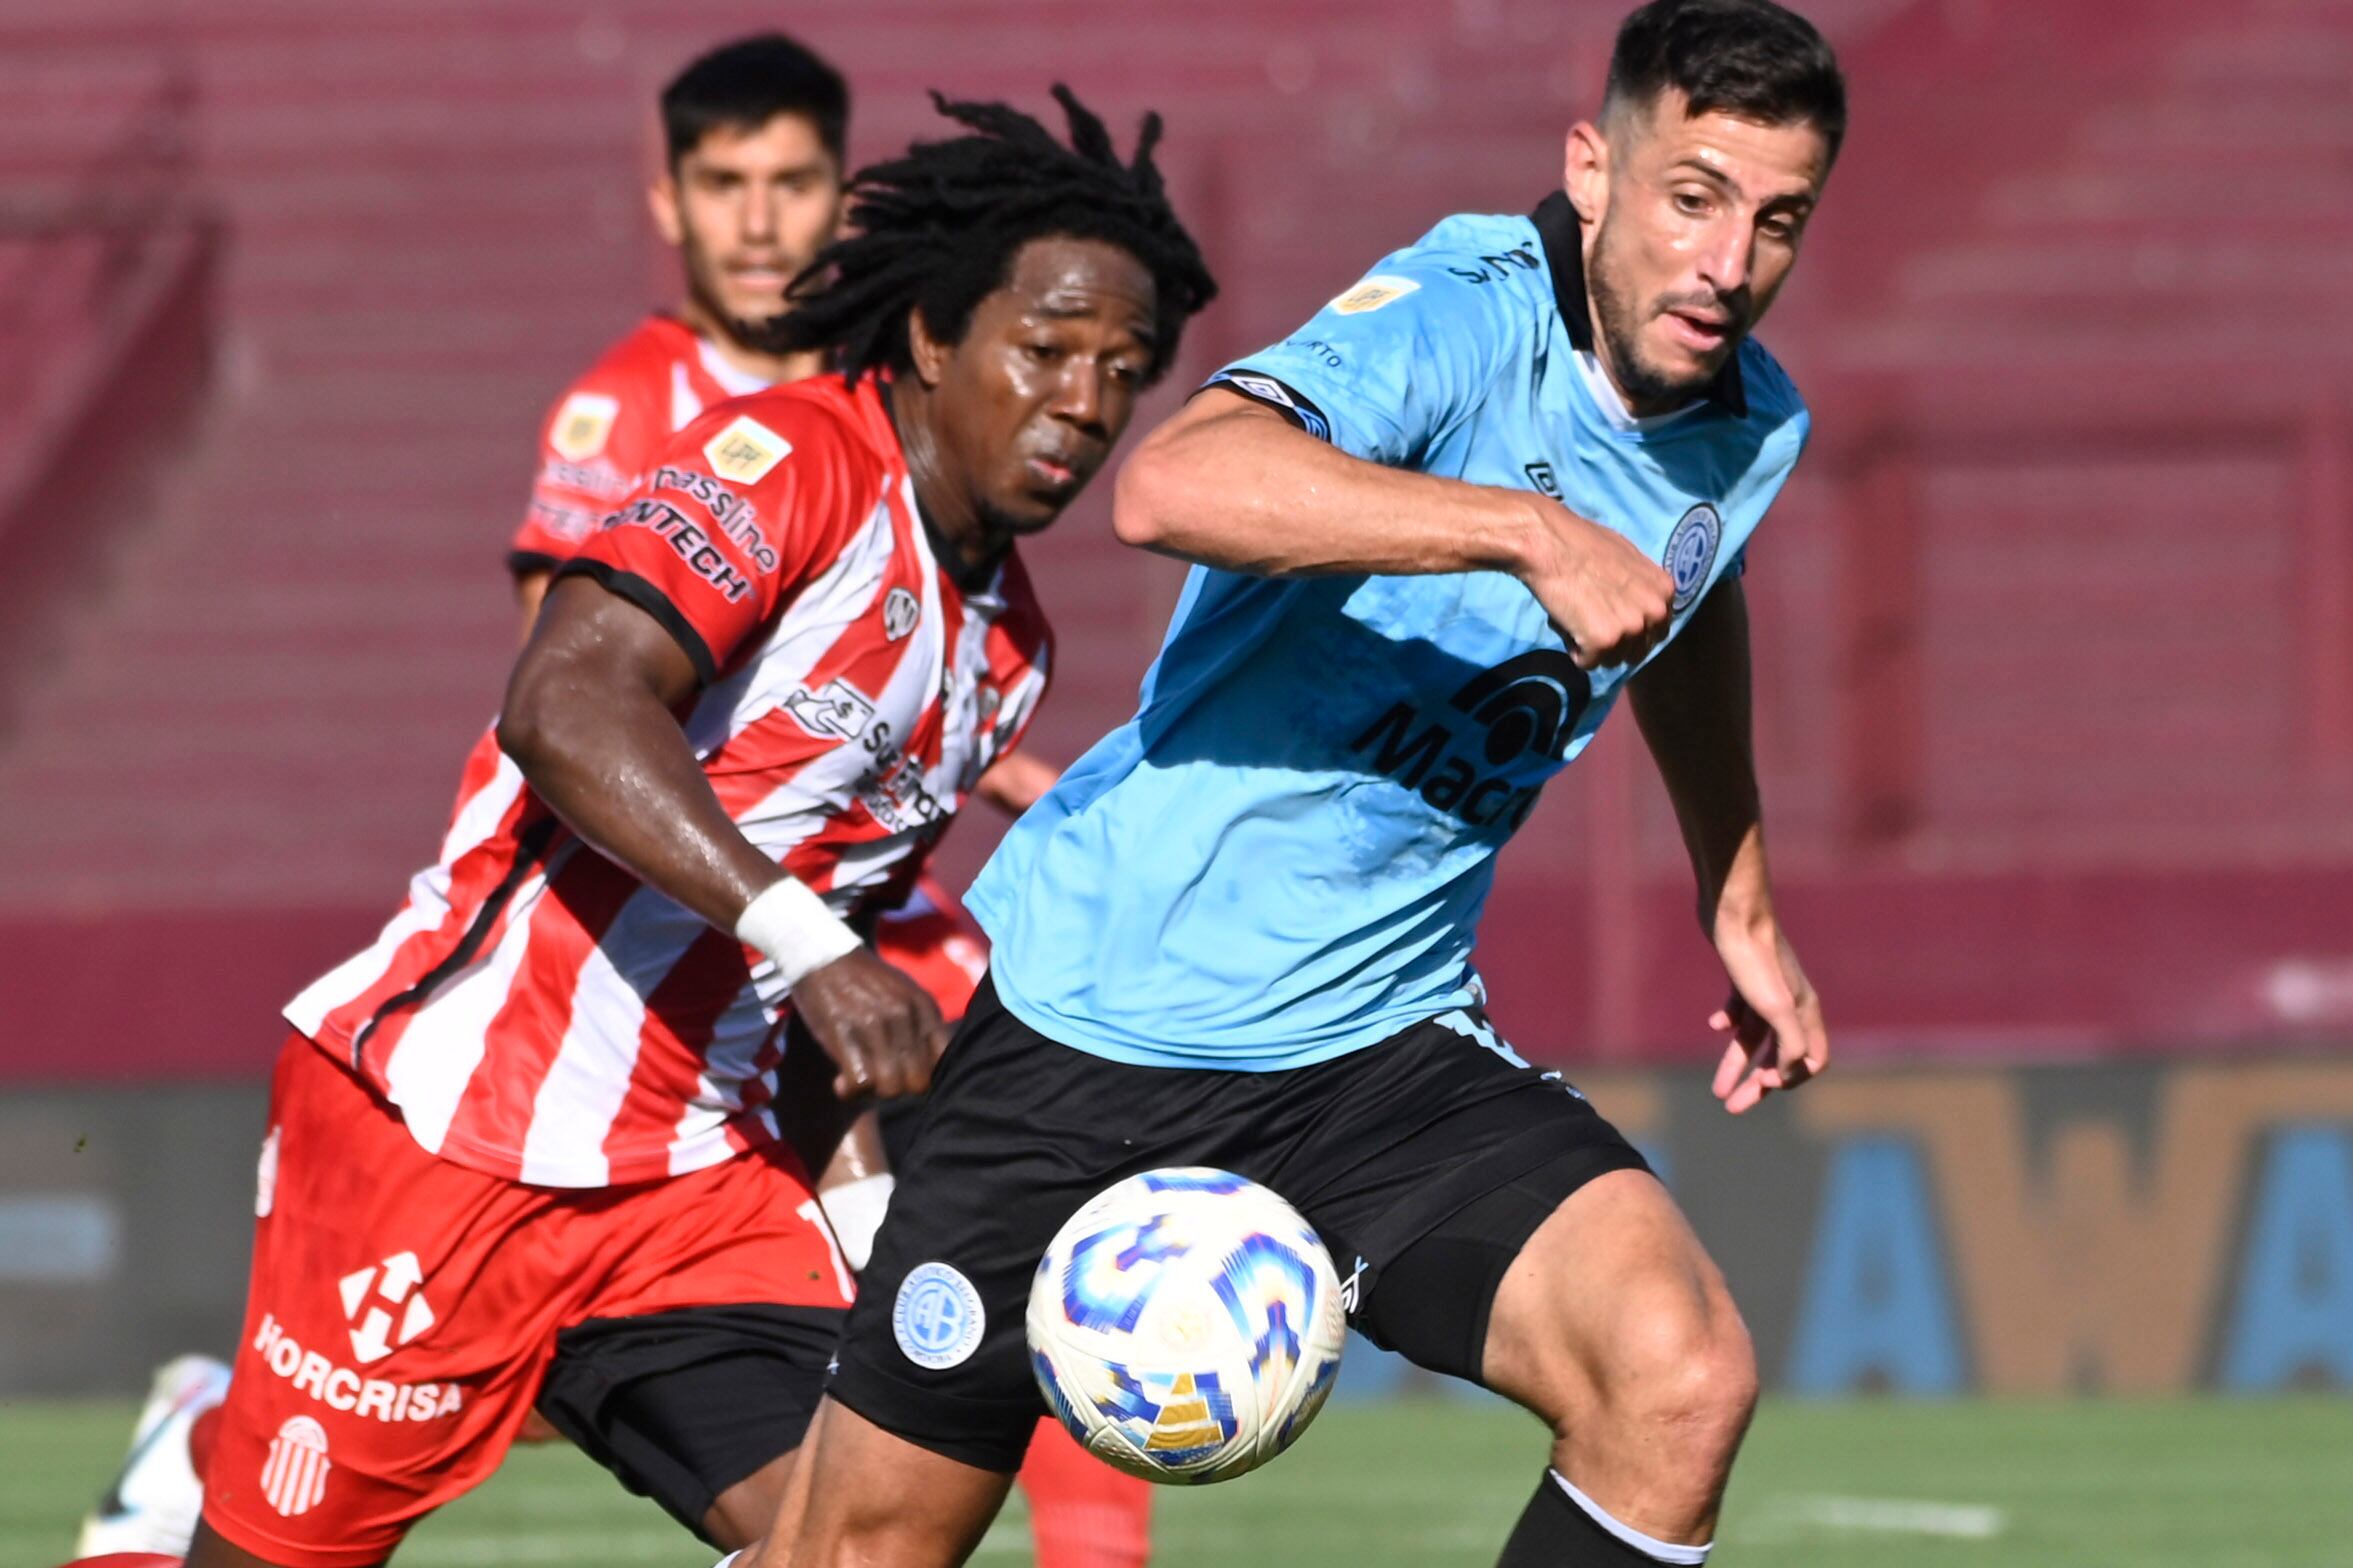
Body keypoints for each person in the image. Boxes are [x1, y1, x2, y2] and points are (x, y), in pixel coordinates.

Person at [746, 3, 1844, 1565]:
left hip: (1376, 1057)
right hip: (1087, 1035)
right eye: (1692, 196)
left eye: (1774, 218)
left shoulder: (1752, 426)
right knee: (860, 1550)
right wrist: (1519, 529)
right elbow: (1174, 482)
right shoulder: (1460, 309)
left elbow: (1684, 590)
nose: (1726, 261)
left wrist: (1736, 901)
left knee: (1675, 1377)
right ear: (1592, 172)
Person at [65, 82, 1213, 1568]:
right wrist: (804, 942)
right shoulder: (793, 462)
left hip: (686, 1183)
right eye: (1045, 350)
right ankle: (206, 1442)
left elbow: (827, 959)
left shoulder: (1005, 650)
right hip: (452, 1136)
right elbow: (564, 702)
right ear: (934, 336)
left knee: (873, 1537)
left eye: (1122, 372)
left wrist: (860, 1210)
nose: (1081, 402)